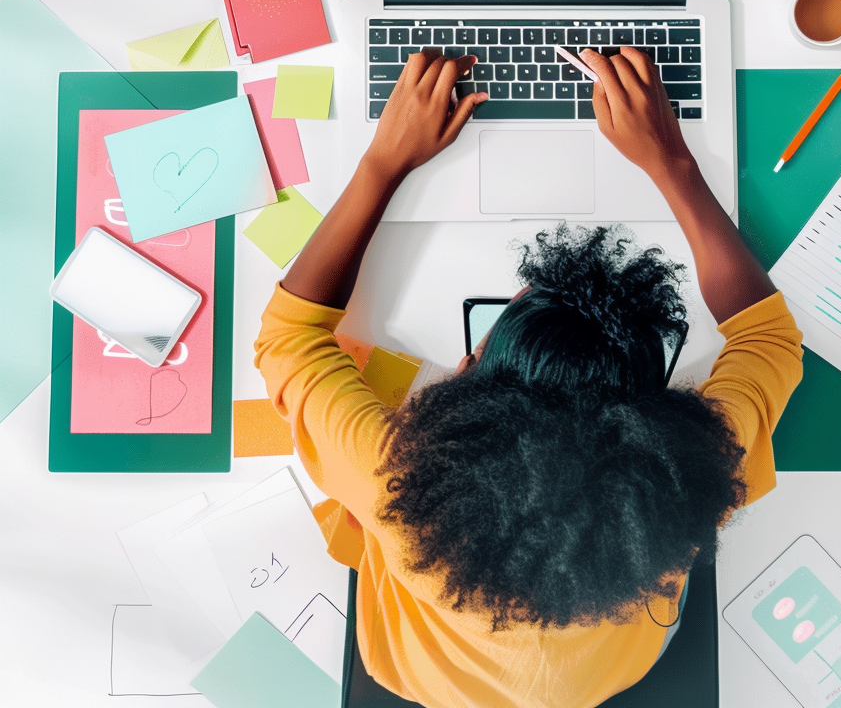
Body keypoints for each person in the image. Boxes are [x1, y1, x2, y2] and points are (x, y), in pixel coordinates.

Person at [254, 48, 803, 708]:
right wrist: (673, 163)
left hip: (412, 674)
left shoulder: (397, 481)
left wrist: (383, 163)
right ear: (659, 415)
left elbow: (287, 335)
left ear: (463, 376)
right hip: (612, 671)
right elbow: (767, 334)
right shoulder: (684, 477)